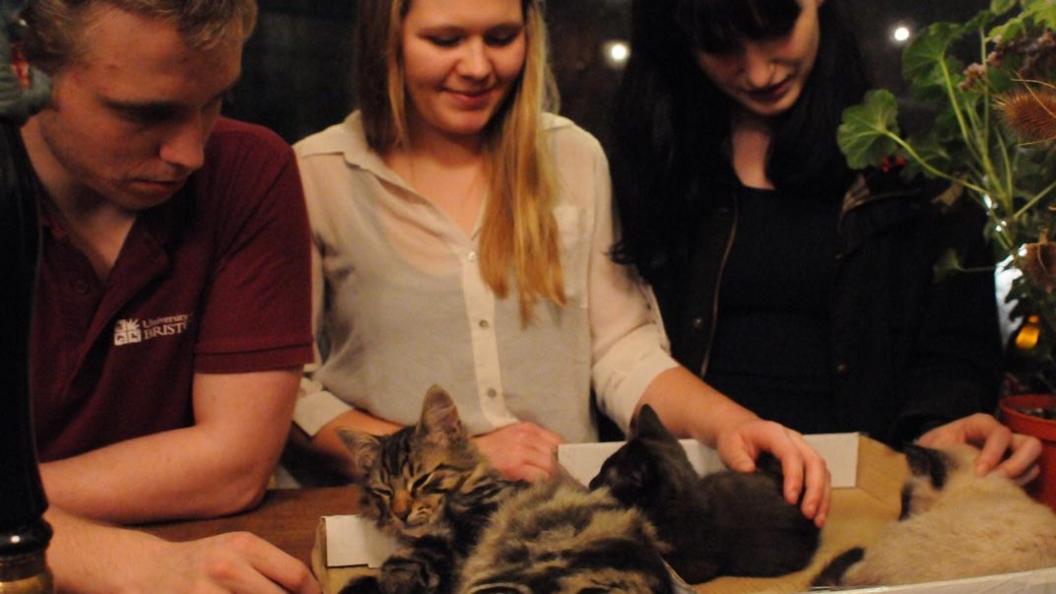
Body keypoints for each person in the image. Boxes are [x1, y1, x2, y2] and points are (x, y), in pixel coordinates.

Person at [291, 0, 831, 525]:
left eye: (501, 38)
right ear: (388, 39)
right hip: (398, 529)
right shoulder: (320, 175)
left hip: (560, 523)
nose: (479, 66)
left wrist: (732, 424)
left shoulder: (572, 157)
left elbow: (621, 349)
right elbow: (294, 399)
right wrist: (464, 459)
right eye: (446, 39)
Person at [609, 0, 1042, 482]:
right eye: (720, 45)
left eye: (775, 27)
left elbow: (954, 352)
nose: (757, 72)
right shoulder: (663, 155)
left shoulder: (911, 162)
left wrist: (940, 428)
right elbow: (622, 346)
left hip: (866, 488)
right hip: (696, 485)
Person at [12, 0, 319, 591]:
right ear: (24, 69)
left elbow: (233, 467)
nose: (190, 153)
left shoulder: (249, 169)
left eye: (213, 102)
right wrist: (129, 563)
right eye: (144, 113)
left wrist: (13, 503)